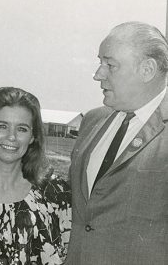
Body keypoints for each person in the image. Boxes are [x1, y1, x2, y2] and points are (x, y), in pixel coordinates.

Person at [65, 22, 168, 265]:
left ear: (147, 70)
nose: (97, 74)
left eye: (110, 65)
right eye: (100, 63)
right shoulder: (92, 121)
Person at [0, 87, 71, 265]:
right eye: (2, 126)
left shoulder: (56, 195)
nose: (12, 137)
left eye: (22, 129)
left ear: (33, 136)